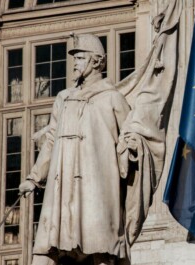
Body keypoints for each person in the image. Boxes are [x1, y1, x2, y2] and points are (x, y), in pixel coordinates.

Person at [19, 34, 132, 265]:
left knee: (100, 246)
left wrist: (133, 147)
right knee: (48, 246)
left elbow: (129, 136)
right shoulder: (63, 98)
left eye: (80, 57)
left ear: (96, 61)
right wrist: (34, 177)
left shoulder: (113, 98)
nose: (75, 62)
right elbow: (51, 140)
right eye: (75, 57)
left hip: (97, 185)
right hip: (62, 185)